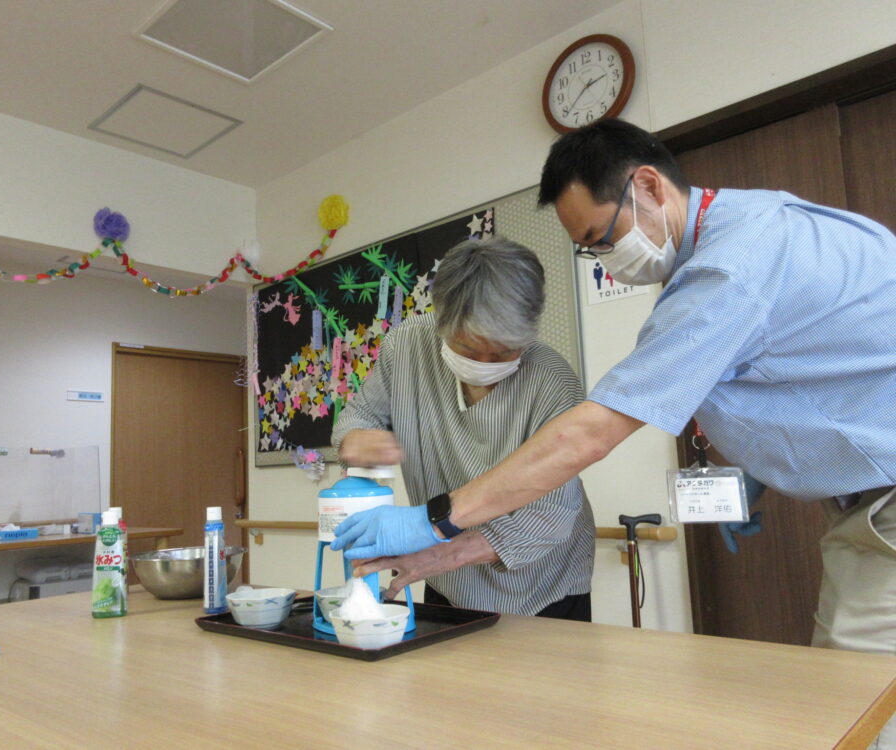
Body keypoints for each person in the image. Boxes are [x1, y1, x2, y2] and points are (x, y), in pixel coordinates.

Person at [331, 118, 896, 747]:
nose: (603, 259)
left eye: (600, 236)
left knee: (854, 702)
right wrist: (755, 476)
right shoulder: (749, 233)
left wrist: (435, 522)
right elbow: (812, 377)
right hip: (861, 502)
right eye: (588, 249)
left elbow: (589, 437)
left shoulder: (727, 271)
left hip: (879, 503)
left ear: (649, 186)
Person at [331, 236, 595, 620]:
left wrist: (440, 553)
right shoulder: (406, 348)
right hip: (442, 572)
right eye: (469, 350)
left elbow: (549, 516)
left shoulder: (553, 381)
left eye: (505, 352)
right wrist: (357, 441)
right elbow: (356, 417)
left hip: (543, 581)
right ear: (441, 321)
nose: (486, 365)